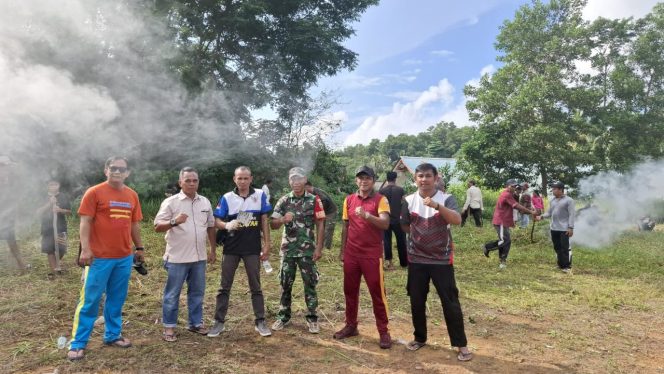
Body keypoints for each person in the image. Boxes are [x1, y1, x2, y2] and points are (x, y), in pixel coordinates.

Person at [68, 157, 144, 361]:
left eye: (122, 169)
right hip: (98, 258)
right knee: (90, 301)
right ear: (106, 170)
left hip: (124, 257)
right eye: (113, 168)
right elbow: (85, 222)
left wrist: (139, 247)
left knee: (116, 299)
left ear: (127, 173)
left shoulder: (131, 195)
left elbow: (134, 224)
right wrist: (85, 249)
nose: (117, 172)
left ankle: (112, 335)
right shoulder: (94, 192)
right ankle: (78, 343)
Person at [400, 163, 473, 361]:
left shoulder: (446, 198)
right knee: (416, 300)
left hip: (442, 260)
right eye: (420, 176)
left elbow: (457, 220)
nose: (424, 180)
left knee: (450, 302)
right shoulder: (407, 200)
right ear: (415, 179)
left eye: (428, 176)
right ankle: (420, 337)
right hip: (416, 260)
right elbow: (406, 226)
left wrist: (437, 207)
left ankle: (460, 344)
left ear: (436, 177)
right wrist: (420, 238)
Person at [208, 166, 272, 337]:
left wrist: (267, 244)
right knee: (224, 286)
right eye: (239, 178)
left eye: (246, 178)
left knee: (256, 286)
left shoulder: (259, 195)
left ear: (251, 178)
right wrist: (226, 225)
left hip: (252, 248)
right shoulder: (227, 198)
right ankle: (218, 322)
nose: (242, 181)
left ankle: (260, 321)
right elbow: (216, 220)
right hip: (231, 248)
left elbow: (264, 220)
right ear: (234, 179)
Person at [154, 167, 217, 342]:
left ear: (198, 182)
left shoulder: (205, 202)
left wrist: (212, 249)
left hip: (199, 258)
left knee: (197, 292)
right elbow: (157, 226)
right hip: (177, 258)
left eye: (194, 180)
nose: (191, 183)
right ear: (180, 182)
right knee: (172, 294)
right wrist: (174, 221)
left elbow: (211, 226)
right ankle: (169, 327)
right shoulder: (171, 202)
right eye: (187, 180)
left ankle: (195, 323)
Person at [334, 166, 392, 349]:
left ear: (373, 180)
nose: (363, 181)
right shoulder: (349, 200)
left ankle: (383, 331)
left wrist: (367, 215)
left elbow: (385, 223)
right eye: (360, 178)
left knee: (378, 293)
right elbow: (345, 226)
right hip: (352, 254)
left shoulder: (380, 200)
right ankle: (351, 326)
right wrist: (342, 251)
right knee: (350, 291)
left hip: (371, 255)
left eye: (367, 178)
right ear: (356, 181)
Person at [271, 167, 326, 333]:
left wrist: (319, 247)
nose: (296, 182)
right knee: (285, 284)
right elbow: (273, 224)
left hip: (307, 251)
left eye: (299, 179)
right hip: (287, 251)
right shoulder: (283, 201)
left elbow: (320, 223)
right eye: (292, 179)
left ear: (305, 180)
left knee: (310, 284)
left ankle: (312, 318)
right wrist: (282, 219)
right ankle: (283, 316)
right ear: (289, 181)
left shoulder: (314, 200)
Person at [483, 179, 538, 269]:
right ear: (507, 186)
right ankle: (487, 247)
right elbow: (517, 206)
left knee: (505, 240)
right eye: (512, 186)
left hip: (504, 221)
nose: (514, 188)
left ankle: (502, 260)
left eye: (515, 186)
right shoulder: (506, 194)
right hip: (500, 221)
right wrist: (531, 212)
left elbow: (516, 203)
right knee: (505, 240)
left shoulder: (510, 194)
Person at [537, 181, 575, 273]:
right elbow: (549, 213)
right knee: (557, 247)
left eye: (554, 189)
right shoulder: (552, 200)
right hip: (554, 228)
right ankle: (560, 264)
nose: (552, 191)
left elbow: (572, 215)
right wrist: (541, 216)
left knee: (565, 247)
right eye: (552, 189)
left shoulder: (569, 200)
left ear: (560, 190)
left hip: (564, 228)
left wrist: (570, 227)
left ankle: (567, 266)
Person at [36, 179, 71, 276]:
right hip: (47, 227)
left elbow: (69, 212)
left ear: (59, 185)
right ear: (47, 186)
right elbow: (38, 212)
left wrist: (60, 210)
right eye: (51, 185)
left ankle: (55, 266)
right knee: (49, 250)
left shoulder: (63, 196)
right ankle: (55, 272)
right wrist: (49, 204)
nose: (53, 186)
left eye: (55, 184)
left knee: (62, 249)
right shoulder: (43, 197)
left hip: (61, 227)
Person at [0, 155, 29, 273]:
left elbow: (15, 197)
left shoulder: (11, 179)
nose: (7, 168)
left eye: (8, 166)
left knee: (11, 240)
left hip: (7, 216)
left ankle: (21, 265)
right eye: (4, 166)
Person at [379, 171, 407, 269]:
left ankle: (389, 263)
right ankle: (404, 263)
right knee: (401, 241)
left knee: (386, 240)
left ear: (387, 179)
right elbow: (404, 203)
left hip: (385, 219)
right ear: (395, 179)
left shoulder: (382, 191)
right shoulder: (400, 190)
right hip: (398, 220)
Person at [304, 181, 338, 250]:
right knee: (320, 228)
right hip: (322, 212)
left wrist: (318, 213)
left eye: (304, 188)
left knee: (327, 230)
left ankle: (326, 249)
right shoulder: (310, 193)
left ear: (308, 186)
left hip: (330, 212)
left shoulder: (317, 192)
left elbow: (324, 200)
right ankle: (318, 246)